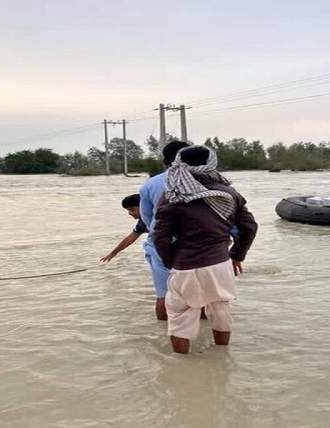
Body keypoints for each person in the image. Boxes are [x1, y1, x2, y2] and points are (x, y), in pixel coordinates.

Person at [153, 145, 258, 354]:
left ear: (179, 163)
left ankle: (181, 368)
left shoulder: (173, 195)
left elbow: (160, 236)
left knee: (181, 317)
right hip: (220, 263)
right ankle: (222, 357)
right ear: (212, 163)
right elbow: (249, 227)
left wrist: (171, 261)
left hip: (186, 265)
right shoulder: (229, 193)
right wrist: (237, 255)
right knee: (221, 310)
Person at [139, 141, 190, 321]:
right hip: (198, 245)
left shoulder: (150, 184)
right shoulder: (208, 181)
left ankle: (164, 337)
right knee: (201, 297)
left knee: (163, 295)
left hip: (161, 244)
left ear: (164, 161)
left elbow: (146, 218)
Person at [100, 194, 148, 263]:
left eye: (131, 209)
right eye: (128, 210)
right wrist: (113, 253)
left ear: (143, 206)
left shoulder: (158, 216)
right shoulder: (143, 222)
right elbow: (130, 239)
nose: (129, 213)